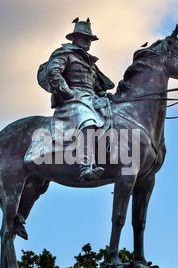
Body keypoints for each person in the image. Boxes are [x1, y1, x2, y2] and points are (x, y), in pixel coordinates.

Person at [37, 18, 115, 182]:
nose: (87, 42)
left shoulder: (90, 62)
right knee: (87, 119)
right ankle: (85, 166)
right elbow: (53, 71)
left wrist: (105, 95)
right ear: (74, 38)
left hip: (92, 99)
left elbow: (98, 86)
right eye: (84, 38)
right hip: (73, 100)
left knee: (116, 115)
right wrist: (67, 91)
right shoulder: (65, 54)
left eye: (89, 39)